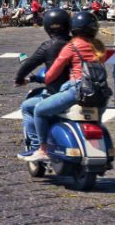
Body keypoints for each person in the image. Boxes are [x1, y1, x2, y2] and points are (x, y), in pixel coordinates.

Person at [22, 11, 106, 163]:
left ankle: (42, 149)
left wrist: (46, 79)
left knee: (39, 110)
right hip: (101, 92)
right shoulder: (98, 47)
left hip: (78, 90)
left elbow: (53, 72)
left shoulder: (72, 46)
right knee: (95, 122)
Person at [15, 8, 72, 157]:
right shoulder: (76, 44)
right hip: (81, 92)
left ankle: (37, 146)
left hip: (58, 93)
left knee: (28, 107)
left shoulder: (48, 46)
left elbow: (29, 64)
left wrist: (19, 78)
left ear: (47, 26)